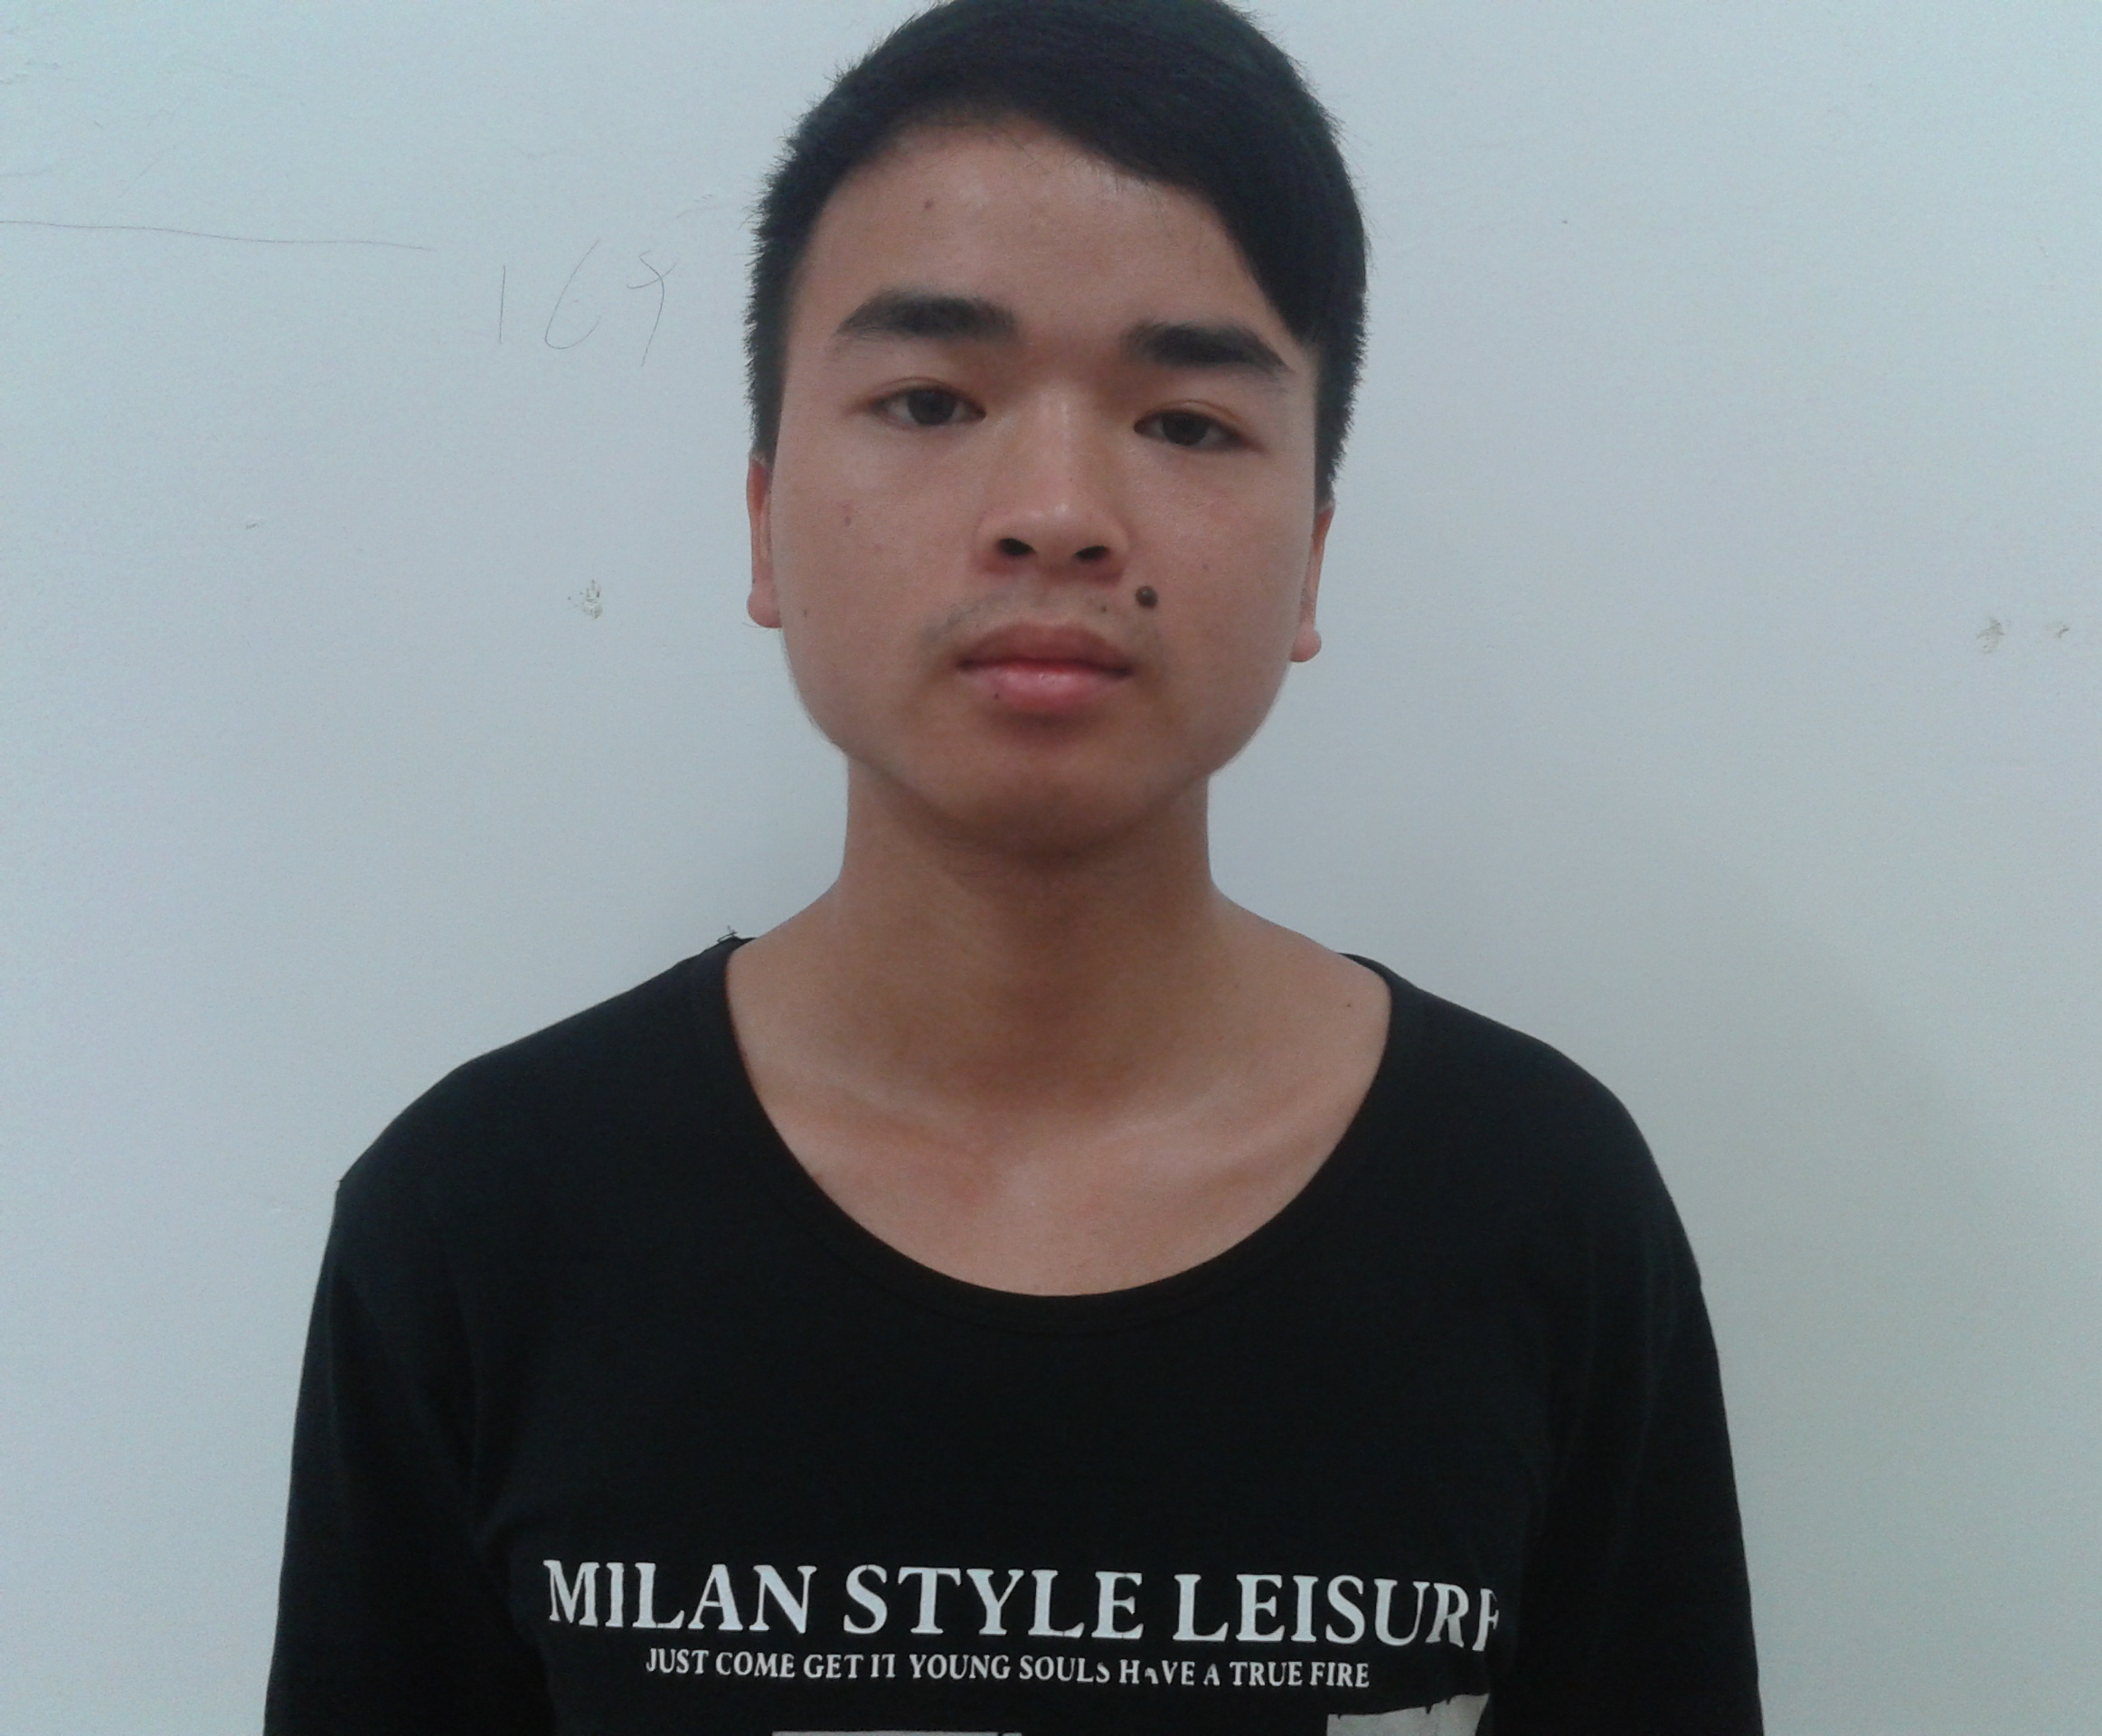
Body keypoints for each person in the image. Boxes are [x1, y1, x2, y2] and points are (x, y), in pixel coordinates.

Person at [264, 1, 1761, 1731]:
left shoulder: (1538, 1209)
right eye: (930, 398)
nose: (1056, 510)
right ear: (763, 521)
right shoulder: (482, 1223)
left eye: (1186, 421)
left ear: (1311, 560)